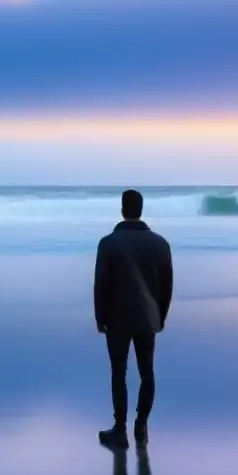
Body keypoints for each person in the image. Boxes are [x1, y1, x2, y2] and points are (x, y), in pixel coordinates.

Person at [94, 189, 173, 449]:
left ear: (121, 209)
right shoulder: (160, 243)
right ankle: (141, 425)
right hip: (148, 318)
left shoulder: (108, 243)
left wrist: (100, 317)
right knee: (146, 372)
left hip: (116, 320)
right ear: (141, 209)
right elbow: (167, 286)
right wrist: (159, 316)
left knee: (119, 373)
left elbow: (101, 285)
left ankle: (120, 430)